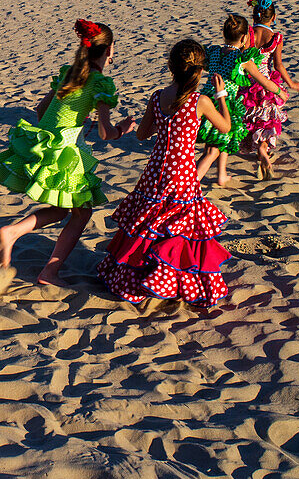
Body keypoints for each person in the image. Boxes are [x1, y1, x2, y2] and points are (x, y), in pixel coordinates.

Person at [0, 19, 135, 285]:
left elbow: (41, 110)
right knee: (83, 212)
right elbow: (106, 133)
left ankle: (12, 234)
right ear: (109, 50)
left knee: (61, 210)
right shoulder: (100, 83)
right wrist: (122, 129)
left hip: (44, 142)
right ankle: (46, 269)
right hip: (66, 152)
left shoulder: (70, 72)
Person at [96, 39, 234, 306]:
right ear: (199, 69)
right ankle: (170, 279)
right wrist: (222, 97)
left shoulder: (158, 96)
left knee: (149, 221)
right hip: (181, 171)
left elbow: (142, 134)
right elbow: (226, 127)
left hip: (156, 169)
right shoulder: (201, 101)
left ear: (171, 66)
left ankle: (137, 275)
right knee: (179, 227)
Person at [195, 13, 287, 185]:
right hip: (224, 103)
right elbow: (264, 81)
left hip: (207, 100)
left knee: (221, 140)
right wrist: (280, 92)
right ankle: (189, 187)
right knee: (212, 149)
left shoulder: (214, 52)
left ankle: (221, 174)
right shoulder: (242, 59)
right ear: (245, 37)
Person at [242, 0, 299, 179]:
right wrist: (290, 83)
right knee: (266, 118)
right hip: (268, 83)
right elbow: (278, 65)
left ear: (254, 16)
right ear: (274, 17)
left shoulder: (248, 35)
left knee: (251, 118)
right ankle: (263, 148)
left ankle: (258, 148)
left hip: (248, 82)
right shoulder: (275, 37)